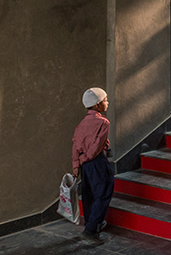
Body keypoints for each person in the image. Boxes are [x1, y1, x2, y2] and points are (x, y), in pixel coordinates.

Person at [72, 87, 114, 244]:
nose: (107, 103)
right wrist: (86, 158)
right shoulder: (103, 122)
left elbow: (75, 145)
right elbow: (97, 146)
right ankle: (91, 231)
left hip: (86, 167)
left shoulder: (82, 124)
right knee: (103, 193)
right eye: (105, 100)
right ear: (97, 105)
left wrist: (76, 164)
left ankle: (91, 224)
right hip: (97, 162)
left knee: (88, 195)